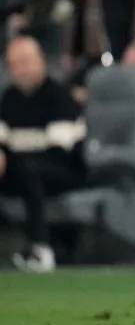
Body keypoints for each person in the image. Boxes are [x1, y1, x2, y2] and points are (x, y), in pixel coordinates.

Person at [0, 37, 87, 272]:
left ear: (42, 62)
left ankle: (41, 248)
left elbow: (57, 151)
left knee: (30, 170)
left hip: (63, 171)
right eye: (14, 64)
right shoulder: (9, 99)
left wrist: (13, 156)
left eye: (26, 61)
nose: (21, 69)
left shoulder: (59, 98)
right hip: (19, 171)